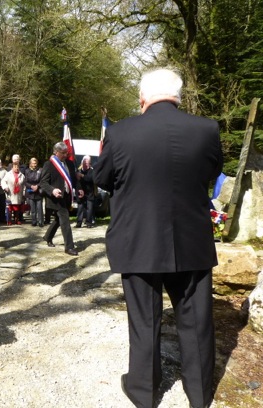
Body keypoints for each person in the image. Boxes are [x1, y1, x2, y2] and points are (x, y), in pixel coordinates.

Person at [93, 68, 223, 408]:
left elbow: (102, 177)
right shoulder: (207, 129)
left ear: (142, 98)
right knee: (196, 322)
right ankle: (199, 394)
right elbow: (210, 172)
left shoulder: (120, 133)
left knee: (144, 320)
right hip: (191, 240)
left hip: (138, 240)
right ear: (178, 96)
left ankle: (144, 392)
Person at [40, 142, 81, 256]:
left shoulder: (70, 163)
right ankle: (69, 247)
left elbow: (73, 179)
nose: (65, 155)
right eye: (62, 153)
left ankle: (47, 237)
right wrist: (52, 190)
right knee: (65, 220)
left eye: (66, 153)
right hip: (56, 198)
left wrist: (79, 189)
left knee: (59, 220)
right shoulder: (49, 164)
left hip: (67, 197)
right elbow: (43, 182)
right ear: (56, 152)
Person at [75, 155, 96, 228]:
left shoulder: (92, 171)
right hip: (81, 192)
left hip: (89, 192)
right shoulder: (78, 170)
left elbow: (91, 179)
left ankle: (89, 223)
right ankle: (79, 223)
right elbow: (77, 182)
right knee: (80, 207)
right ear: (82, 163)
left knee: (89, 208)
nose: (85, 164)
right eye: (84, 163)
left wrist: (82, 176)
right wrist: (79, 190)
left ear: (89, 163)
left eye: (87, 163)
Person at [24, 157, 44, 227]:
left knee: (39, 208)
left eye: (35, 163)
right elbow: (25, 182)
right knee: (32, 208)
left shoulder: (40, 170)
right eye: (33, 163)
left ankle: (41, 222)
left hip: (38, 191)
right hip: (31, 191)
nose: (34, 164)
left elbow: (42, 181)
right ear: (30, 164)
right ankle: (34, 221)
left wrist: (37, 186)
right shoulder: (27, 171)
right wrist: (31, 186)